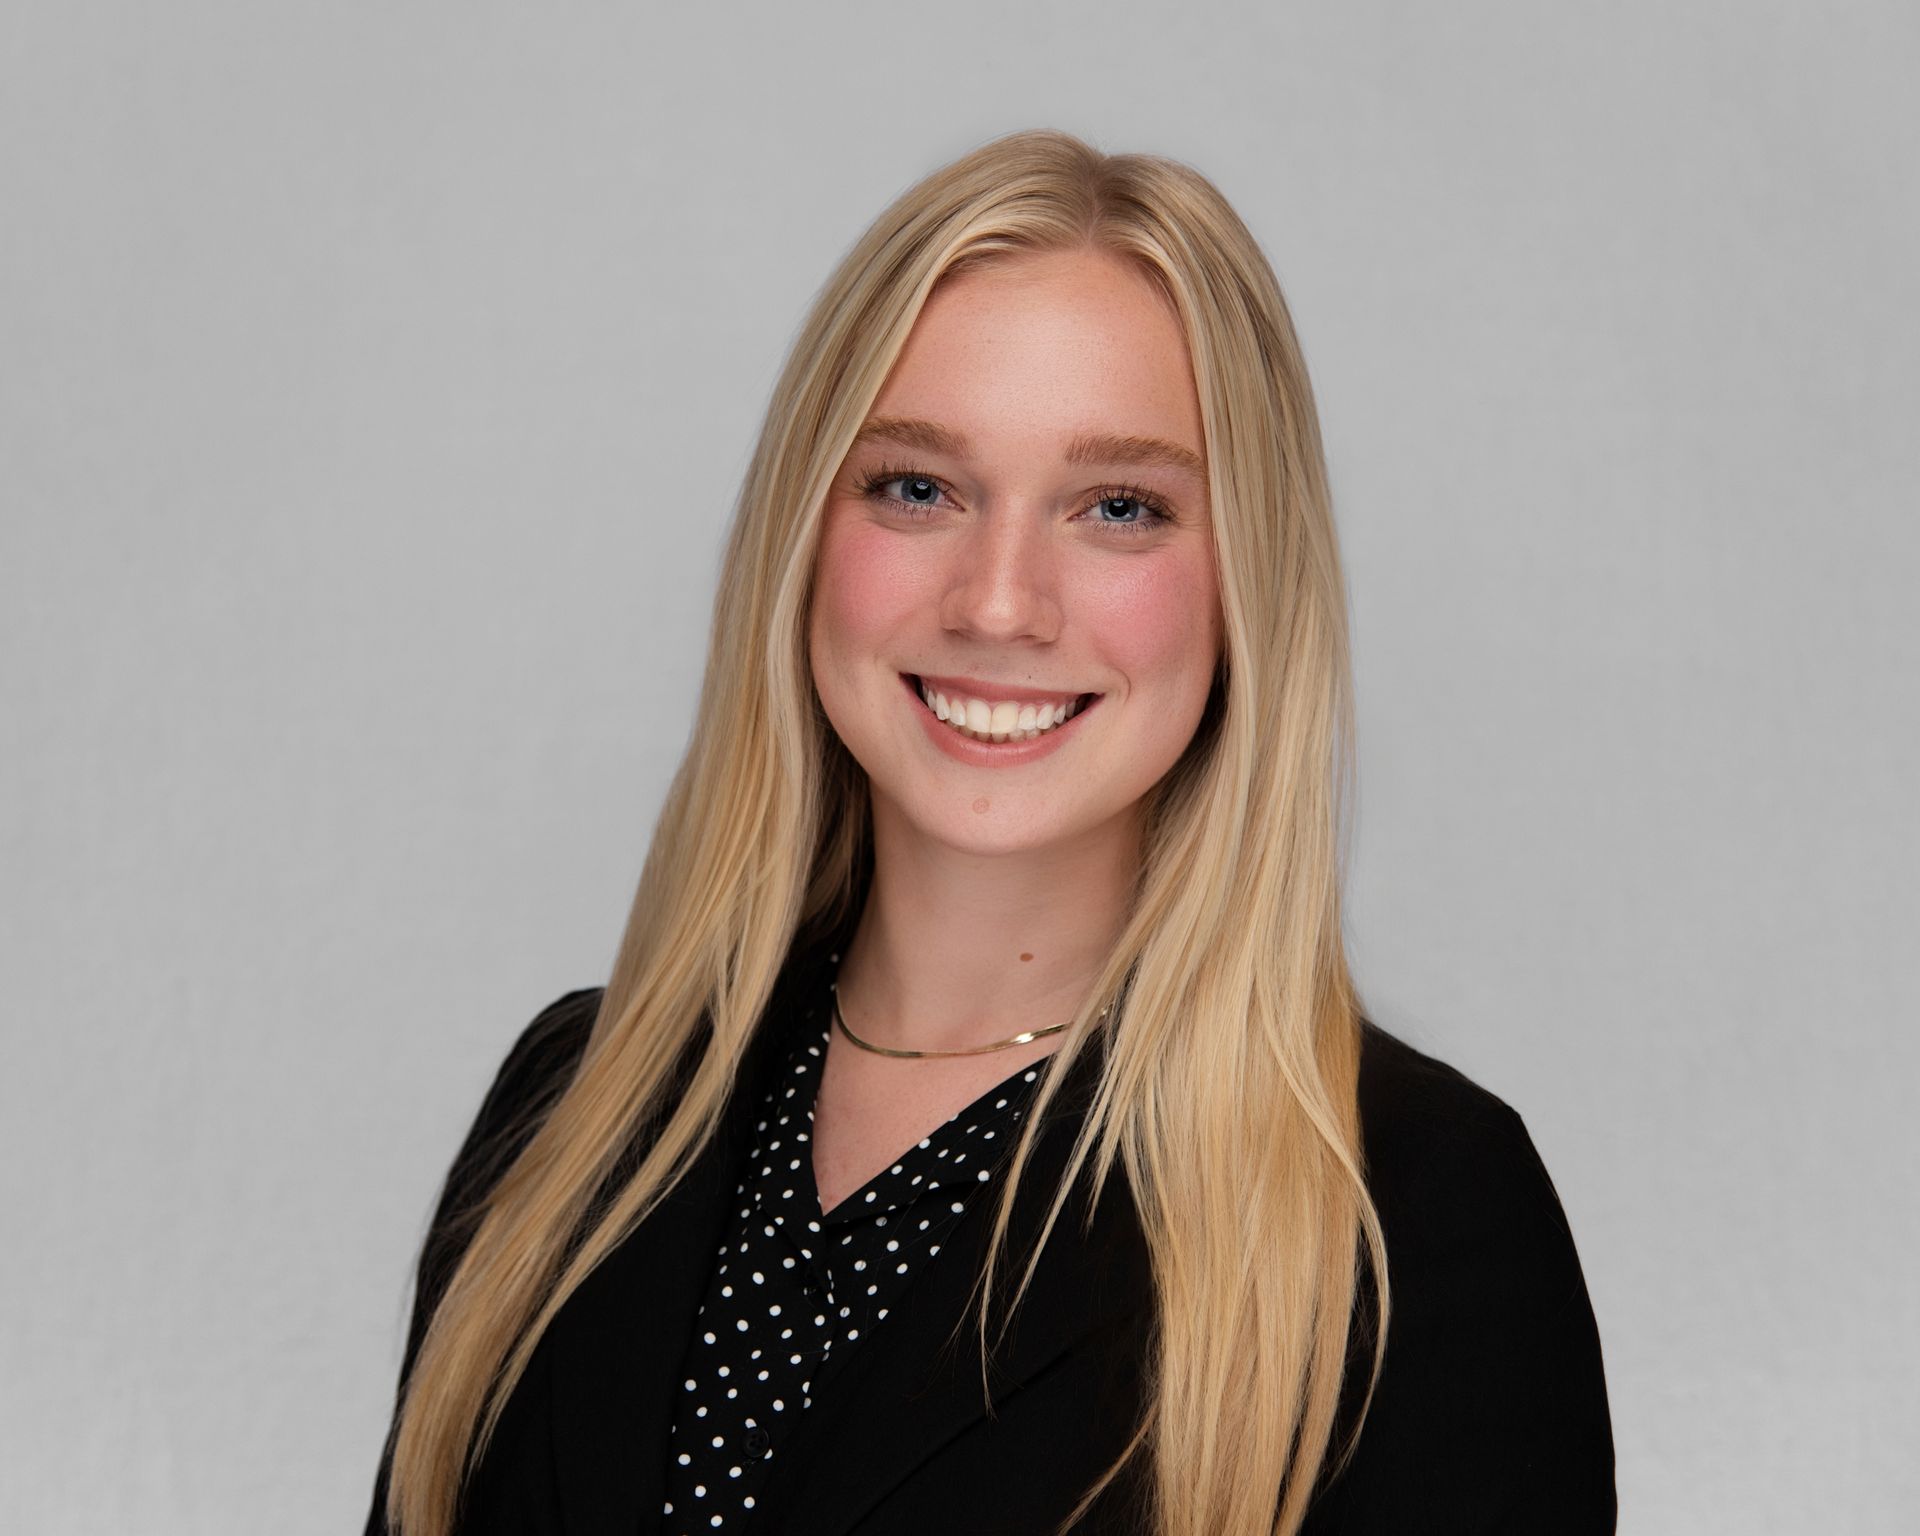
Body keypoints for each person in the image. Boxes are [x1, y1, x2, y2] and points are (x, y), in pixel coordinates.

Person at [361, 128, 1616, 1536]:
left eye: (1120, 507)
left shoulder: (1413, 1212)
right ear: (804, 533)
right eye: (918, 486)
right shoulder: (574, 1108)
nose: (999, 602)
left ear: (1245, 587)